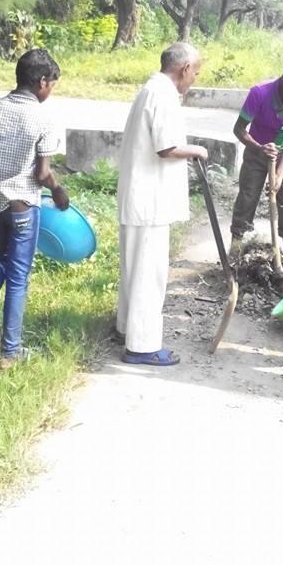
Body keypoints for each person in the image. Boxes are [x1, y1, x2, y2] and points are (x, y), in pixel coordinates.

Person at [0, 48, 69, 368]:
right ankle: (10, 352)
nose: (51, 91)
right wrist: (58, 191)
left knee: (1, 260)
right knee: (18, 276)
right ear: (41, 81)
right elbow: (41, 174)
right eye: (52, 85)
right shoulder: (44, 117)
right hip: (22, 205)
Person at [116, 42, 207, 366]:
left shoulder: (150, 89)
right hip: (149, 201)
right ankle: (142, 347)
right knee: (148, 275)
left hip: (140, 197)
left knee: (134, 269)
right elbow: (167, 148)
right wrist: (197, 150)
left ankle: (127, 328)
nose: (194, 78)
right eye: (195, 72)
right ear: (184, 69)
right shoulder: (164, 94)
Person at [230, 57, 283, 264]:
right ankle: (234, 254)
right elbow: (239, 129)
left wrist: (279, 175)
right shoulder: (259, 93)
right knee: (247, 197)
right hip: (256, 150)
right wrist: (259, 148)